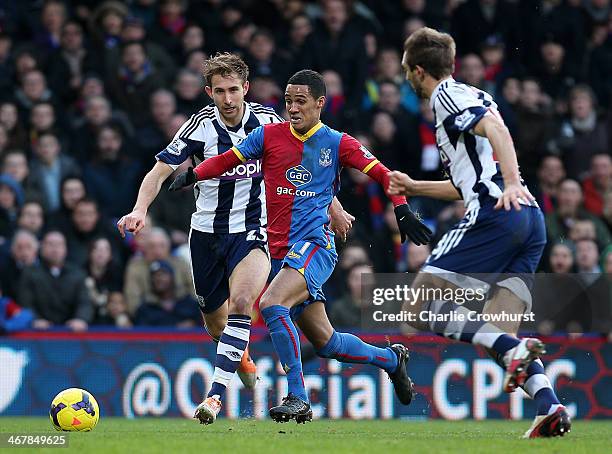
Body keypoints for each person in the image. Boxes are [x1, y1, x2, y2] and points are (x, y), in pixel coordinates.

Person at [170, 69, 432, 424]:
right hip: (280, 255)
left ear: (320, 104)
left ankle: (297, 397)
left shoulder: (339, 143)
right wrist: (193, 175)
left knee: (271, 304)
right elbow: (228, 159)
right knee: (328, 343)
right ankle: (391, 360)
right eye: (288, 101)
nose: (292, 108)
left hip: (315, 247)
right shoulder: (267, 135)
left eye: (300, 102)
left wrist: (401, 209)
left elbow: (385, 174)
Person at [116, 53, 351, 417]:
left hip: (255, 229)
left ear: (246, 88)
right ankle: (242, 361)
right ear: (210, 92)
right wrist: (139, 209)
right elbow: (159, 171)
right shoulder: (199, 127)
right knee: (215, 322)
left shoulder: (270, 122)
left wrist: (333, 208)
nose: (227, 100)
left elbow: (303, 170)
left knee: (243, 304)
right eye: (220, 92)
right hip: (206, 233)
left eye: (234, 90)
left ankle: (213, 396)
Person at [387, 27, 570, 438]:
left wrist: (510, 182)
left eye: (406, 70)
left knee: (417, 308)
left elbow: (498, 132)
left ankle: (518, 353)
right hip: (529, 221)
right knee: (498, 335)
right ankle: (550, 406)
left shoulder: (447, 97)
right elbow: (464, 182)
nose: (405, 78)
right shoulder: (468, 95)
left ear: (418, 70)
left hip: (496, 215)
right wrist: (414, 187)